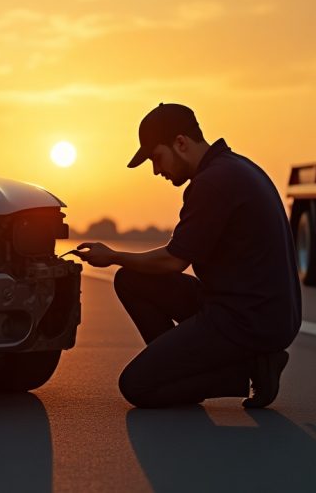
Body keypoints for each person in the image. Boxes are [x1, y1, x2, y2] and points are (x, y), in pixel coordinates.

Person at [73, 103, 301, 408]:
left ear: (180, 143)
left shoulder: (213, 183)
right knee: (131, 280)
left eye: (157, 157)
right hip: (256, 311)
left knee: (137, 386)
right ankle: (181, 369)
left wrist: (113, 255)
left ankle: (250, 372)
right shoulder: (237, 167)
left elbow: (173, 261)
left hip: (247, 321)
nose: (156, 170)